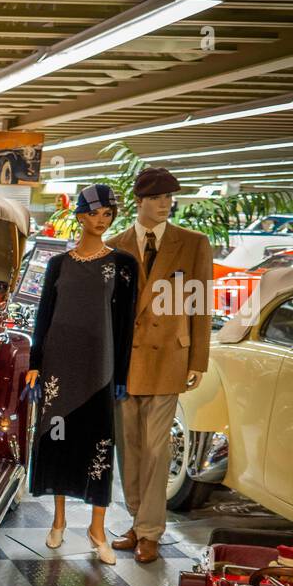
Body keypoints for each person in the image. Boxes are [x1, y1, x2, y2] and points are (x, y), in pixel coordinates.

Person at [25, 184, 137, 564]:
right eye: (94, 213)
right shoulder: (59, 264)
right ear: (80, 216)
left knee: (98, 444)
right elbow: (44, 316)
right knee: (59, 441)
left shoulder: (122, 265)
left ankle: (97, 529)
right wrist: (35, 365)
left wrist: (120, 374)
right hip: (59, 368)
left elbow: (125, 324)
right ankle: (58, 521)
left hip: (99, 369)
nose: (101, 220)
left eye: (107, 214)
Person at [109, 167, 213, 563]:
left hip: (169, 357)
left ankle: (151, 531)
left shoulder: (193, 244)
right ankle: (138, 522)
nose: (165, 204)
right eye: (156, 198)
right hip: (124, 363)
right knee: (129, 448)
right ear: (139, 201)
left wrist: (197, 359)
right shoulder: (115, 246)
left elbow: (200, 303)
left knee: (157, 448)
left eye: (169, 197)